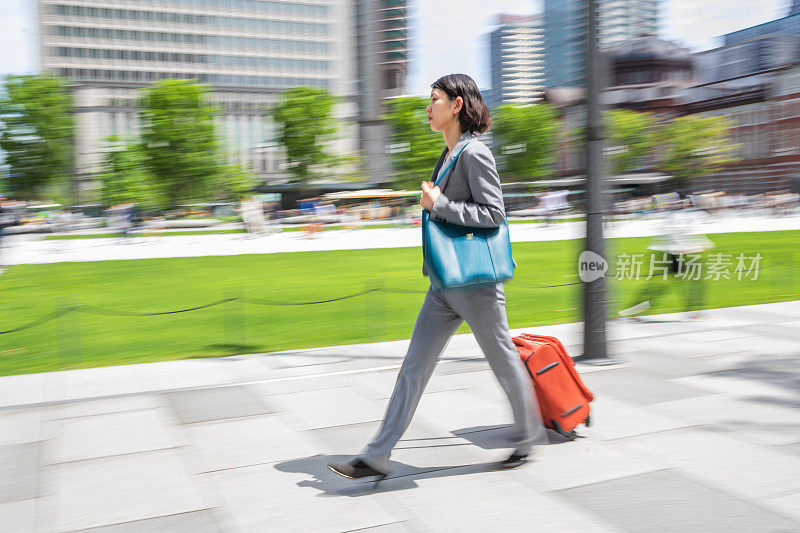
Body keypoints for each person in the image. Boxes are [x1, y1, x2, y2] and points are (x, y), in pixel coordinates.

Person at [327, 74, 547, 484]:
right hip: (444, 283)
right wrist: (437, 204)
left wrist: (440, 204)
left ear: (457, 105)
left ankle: (530, 433)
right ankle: (376, 455)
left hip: (476, 285)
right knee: (414, 366)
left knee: (502, 359)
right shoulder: (447, 155)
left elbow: (495, 214)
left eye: (434, 100)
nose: (428, 108)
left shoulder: (475, 153)